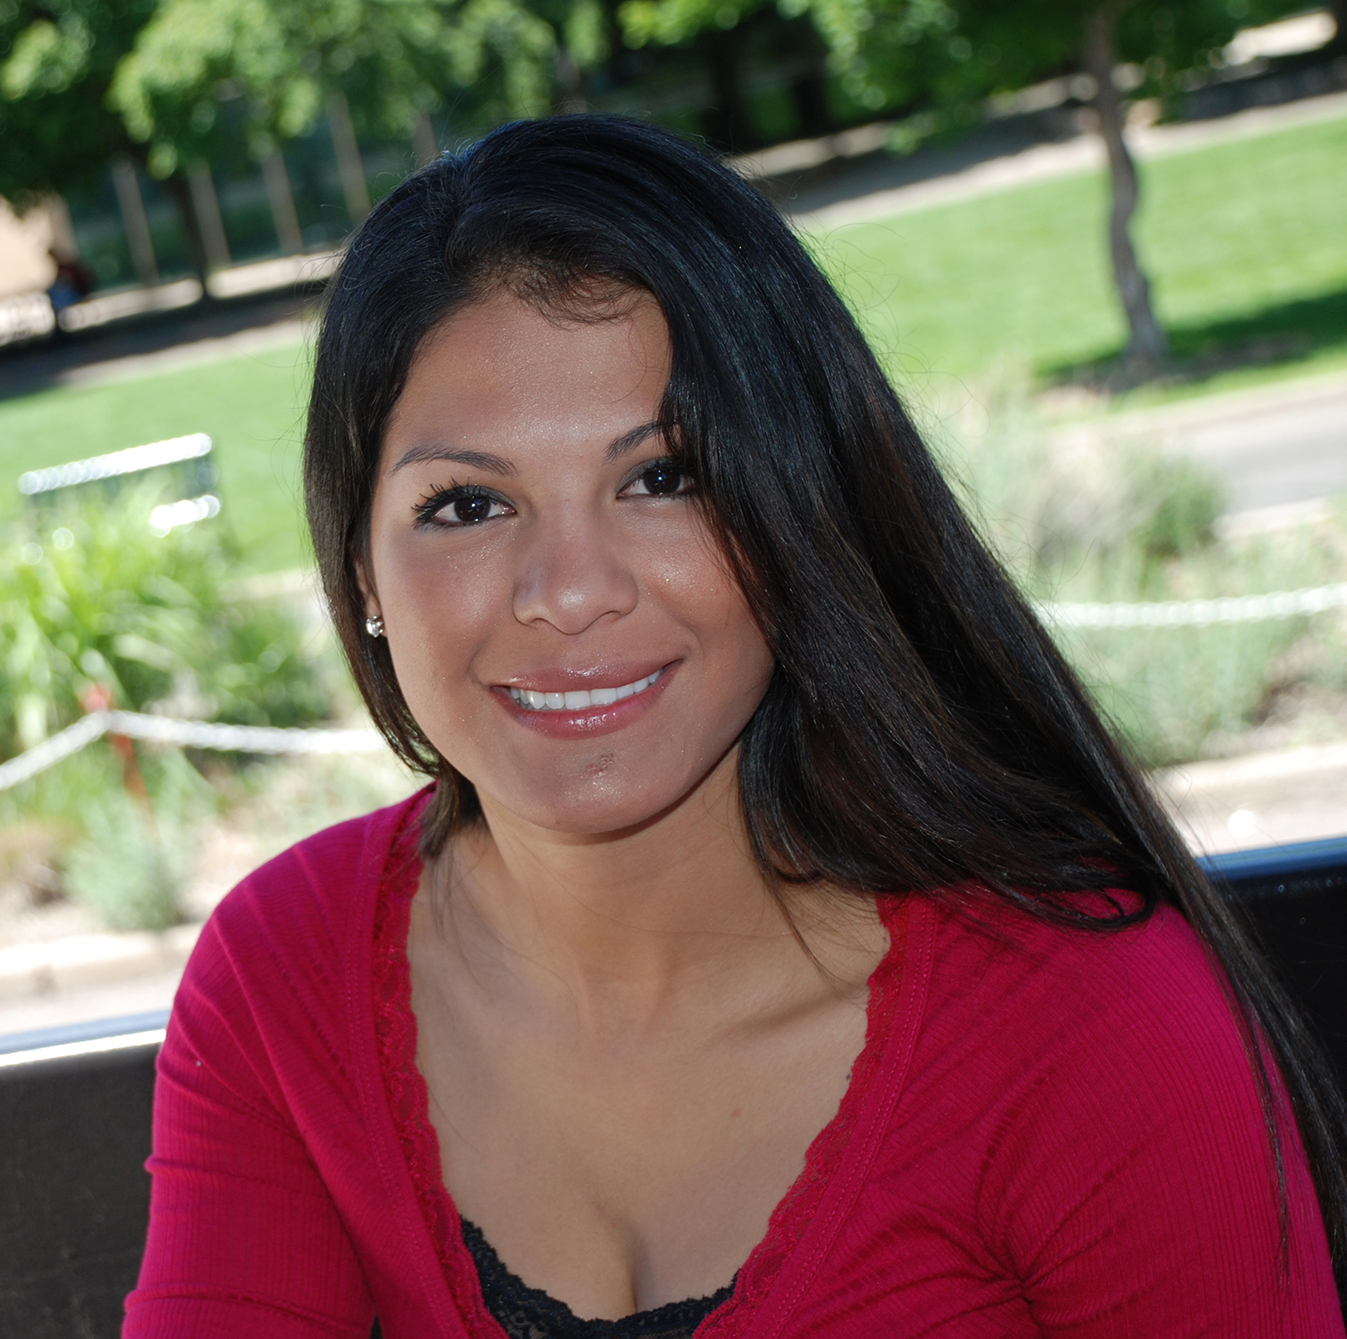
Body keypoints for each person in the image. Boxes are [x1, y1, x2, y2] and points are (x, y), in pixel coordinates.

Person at [123, 115, 1347, 1337]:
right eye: (465, 503)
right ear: (362, 576)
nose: (569, 586)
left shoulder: (1086, 1019)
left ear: (797, 509)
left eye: (662, 476)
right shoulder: (283, 987)